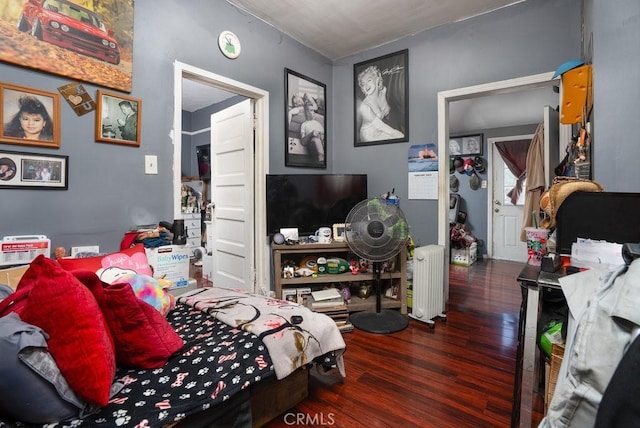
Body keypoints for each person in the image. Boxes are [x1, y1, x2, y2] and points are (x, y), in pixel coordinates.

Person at [356, 65, 404, 142]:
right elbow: (381, 126)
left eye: (369, 80)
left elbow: (388, 112)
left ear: (377, 80)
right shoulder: (364, 107)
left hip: (382, 129)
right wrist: (401, 136)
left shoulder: (383, 91)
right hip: (369, 135)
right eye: (363, 84)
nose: (366, 85)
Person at [299, 93, 325, 164]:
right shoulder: (304, 125)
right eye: (311, 110)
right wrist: (311, 134)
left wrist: (321, 135)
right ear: (306, 112)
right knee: (315, 139)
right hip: (313, 142)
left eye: (313, 110)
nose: (313, 113)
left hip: (322, 141)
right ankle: (321, 159)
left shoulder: (318, 123)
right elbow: (303, 142)